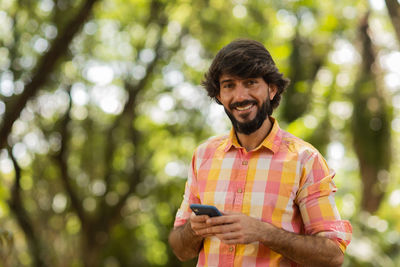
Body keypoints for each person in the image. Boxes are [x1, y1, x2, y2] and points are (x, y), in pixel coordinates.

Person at [169, 39, 352, 267]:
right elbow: (180, 249)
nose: (240, 96)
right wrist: (193, 230)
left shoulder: (305, 159)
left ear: (272, 88)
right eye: (229, 85)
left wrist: (264, 232)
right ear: (218, 95)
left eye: (251, 82)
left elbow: (333, 256)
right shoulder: (203, 156)